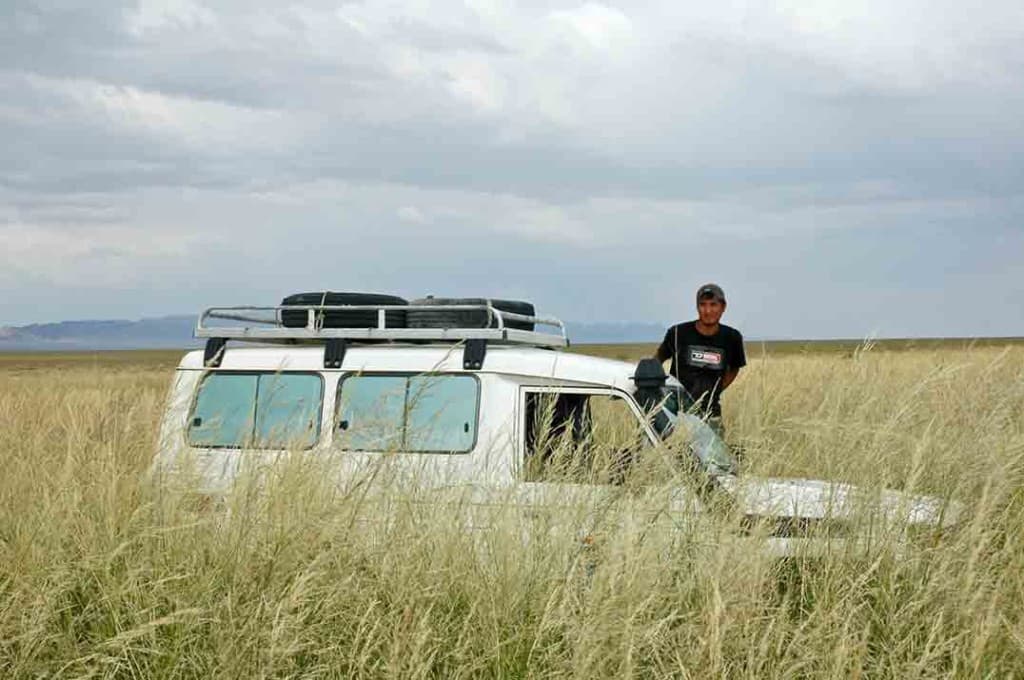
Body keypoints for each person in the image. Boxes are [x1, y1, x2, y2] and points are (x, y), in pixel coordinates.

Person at [655, 283, 746, 436]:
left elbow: (735, 368)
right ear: (697, 307)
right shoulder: (677, 333)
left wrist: (715, 390)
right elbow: (657, 359)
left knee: (714, 458)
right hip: (676, 412)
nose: (708, 311)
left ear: (723, 307)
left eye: (713, 305)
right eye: (702, 305)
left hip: (710, 413)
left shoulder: (732, 337)